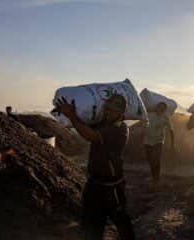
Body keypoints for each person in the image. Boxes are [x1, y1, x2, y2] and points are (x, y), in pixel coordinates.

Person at [55, 94, 135, 240]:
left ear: (121, 113)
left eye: (114, 110)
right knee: (91, 227)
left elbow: (90, 135)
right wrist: (74, 110)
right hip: (94, 185)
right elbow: (85, 122)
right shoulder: (104, 123)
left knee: (123, 224)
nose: (109, 112)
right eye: (108, 108)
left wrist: (71, 115)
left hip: (112, 187)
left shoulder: (120, 130)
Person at [143, 102, 175, 185]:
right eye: (159, 107)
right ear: (156, 107)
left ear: (164, 110)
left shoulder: (165, 117)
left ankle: (156, 179)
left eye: (162, 108)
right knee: (150, 160)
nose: (160, 109)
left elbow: (171, 129)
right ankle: (154, 176)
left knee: (155, 160)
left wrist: (172, 143)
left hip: (158, 142)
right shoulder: (149, 114)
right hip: (147, 141)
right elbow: (142, 119)